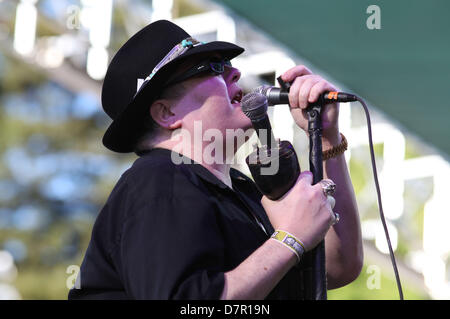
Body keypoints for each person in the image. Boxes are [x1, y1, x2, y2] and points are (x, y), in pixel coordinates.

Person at [68, 20, 363, 300]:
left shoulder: (241, 192)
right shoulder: (159, 180)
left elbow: (339, 267)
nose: (234, 73)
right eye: (212, 68)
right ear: (167, 114)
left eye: (228, 65)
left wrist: (326, 139)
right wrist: (290, 239)